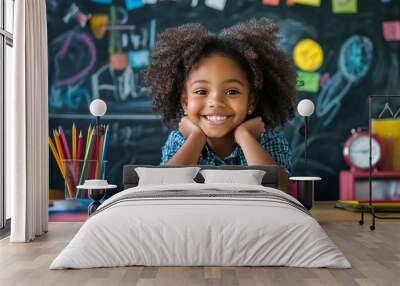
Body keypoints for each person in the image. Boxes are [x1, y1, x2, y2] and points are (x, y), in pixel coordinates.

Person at [144, 18, 296, 175]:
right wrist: (196, 138)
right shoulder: (180, 139)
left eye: (232, 92)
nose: (216, 102)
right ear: (185, 101)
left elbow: (282, 189)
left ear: (251, 101)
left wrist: (245, 137)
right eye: (201, 91)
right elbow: (165, 187)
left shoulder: (267, 137)